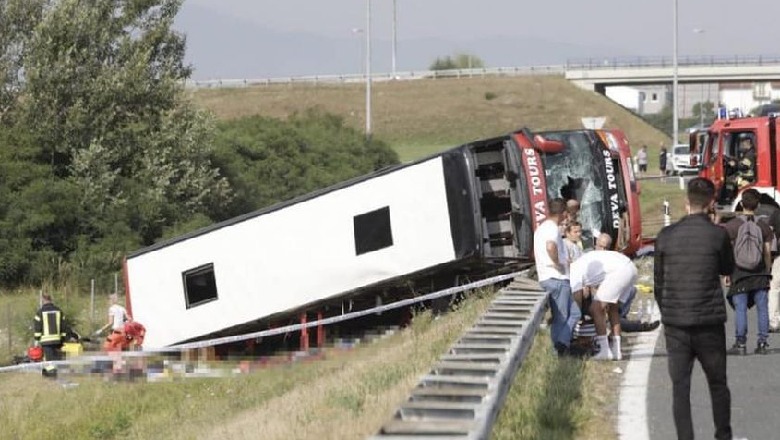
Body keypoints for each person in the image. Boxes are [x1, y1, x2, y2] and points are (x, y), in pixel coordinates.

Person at [654, 177, 736, 440]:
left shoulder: (666, 236)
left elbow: (658, 282)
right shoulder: (718, 235)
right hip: (709, 322)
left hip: (676, 323)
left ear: (686, 202)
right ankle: (723, 434)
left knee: (680, 387)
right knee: (718, 383)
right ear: (712, 202)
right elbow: (726, 268)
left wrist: (667, 313)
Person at [722, 188, 772, 355]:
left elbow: (728, 253)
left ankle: (741, 344)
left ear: (741, 204)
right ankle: (763, 343)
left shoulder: (731, 226)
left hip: (739, 273)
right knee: (762, 308)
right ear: (757, 205)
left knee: (741, 308)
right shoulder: (764, 227)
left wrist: (727, 273)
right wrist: (767, 271)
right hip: (760, 274)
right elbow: (766, 253)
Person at [534, 198, 581, 356]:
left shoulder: (542, 228)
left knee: (575, 312)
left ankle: (563, 343)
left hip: (551, 277)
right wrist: (558, 263)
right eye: (566, 213)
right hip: (556, 278)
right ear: (562, 213)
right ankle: (557, 351)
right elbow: (550, 246)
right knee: (561, 317)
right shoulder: (552, 228)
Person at [571, 249, 637, 360]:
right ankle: (616, 350)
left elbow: (577, 296)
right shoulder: (583, 262)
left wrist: (577, 316)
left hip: (619, 271)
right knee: (613, 308)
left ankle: (605, 351)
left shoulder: (573, 270)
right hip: (631, 267)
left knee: (595, 309)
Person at [594, 233, 660, 332]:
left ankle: (620, 317)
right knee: (613, 318)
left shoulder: (610, 258)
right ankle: (638, 326)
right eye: (600, 246)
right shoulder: (591, 258)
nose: (603, 250)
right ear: (596, 244)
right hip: (597, 297)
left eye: (605, 248)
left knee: (631, 290)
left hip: (607, 293)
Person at [33, 294, 69, 379]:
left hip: (46, 341)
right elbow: (64, 327)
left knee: (49, 358)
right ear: (51, 300)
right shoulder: (59, 311)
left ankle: (52, 375)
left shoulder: (39, 312)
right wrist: (63, 339)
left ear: (43, 301)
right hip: (57, 339)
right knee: (56, 357)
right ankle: (55, 373)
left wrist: (36, 340)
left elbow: (37, 328)